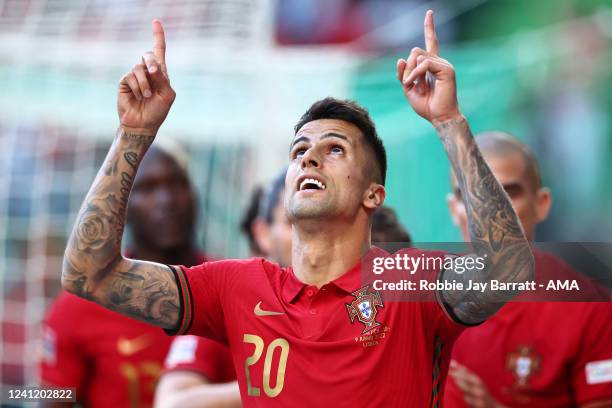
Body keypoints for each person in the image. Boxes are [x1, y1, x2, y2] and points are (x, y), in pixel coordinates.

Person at [60, 10, 534, 406]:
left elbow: (509, 268)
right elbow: (88, 275)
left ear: (374, 194)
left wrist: (449, 121)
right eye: (298, 150)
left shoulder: (411, 282)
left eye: (334, 149)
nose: (308, 156)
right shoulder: (234, 286)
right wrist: (135, 133)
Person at [443, 132, 612, 407]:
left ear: (541, 204)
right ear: (454, 208)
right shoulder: (414, 301)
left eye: (508, 193)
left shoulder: (590, 308)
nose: (491, 210)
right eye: (473, 195)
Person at [40, 144, 209, 408]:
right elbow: (52, 396)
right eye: (148, 188)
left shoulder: (227, 288)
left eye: (177, 184)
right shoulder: (81, 302)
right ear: (122, 207)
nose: (167, 200)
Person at [153, 171, 291, 408]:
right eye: (294, 221)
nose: (312, 235)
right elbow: (171, 404)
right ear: (263, 234)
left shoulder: (363, 302)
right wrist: (281, 386)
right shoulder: (228, 298)